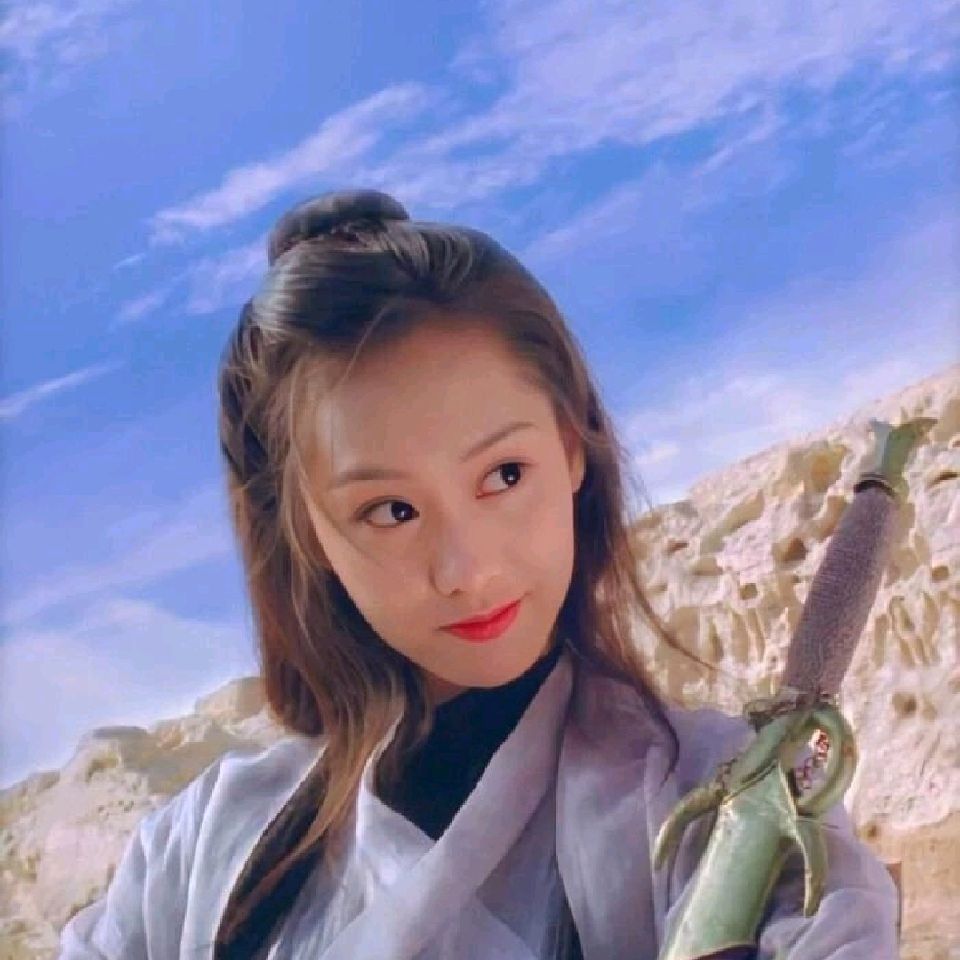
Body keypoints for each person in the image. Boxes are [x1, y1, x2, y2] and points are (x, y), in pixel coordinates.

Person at [57, 189, 900, 959]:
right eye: (392, 510)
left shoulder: (714, 812)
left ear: (571, 447)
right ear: (305, 532)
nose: (469, 570)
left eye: (503, 475)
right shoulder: (195, 857)